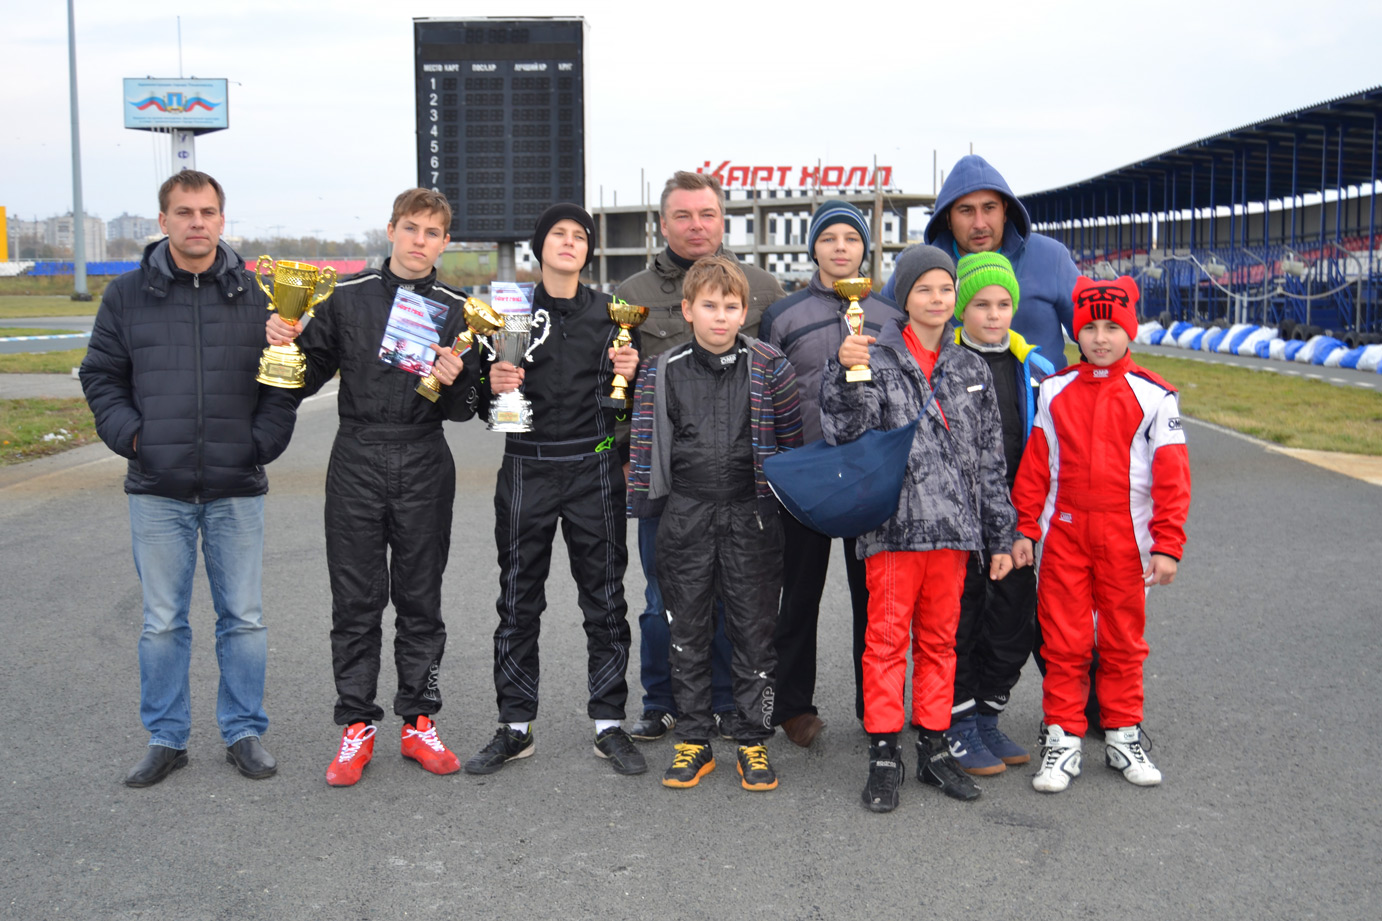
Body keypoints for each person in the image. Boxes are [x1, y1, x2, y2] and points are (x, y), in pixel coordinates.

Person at [81, 170, 298, 787]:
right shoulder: (126, 296)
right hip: (157, 487)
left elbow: (284, 380)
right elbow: (100, 376)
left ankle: (244, 732)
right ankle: (166, 738)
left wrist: (260, 443)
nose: (196, 222)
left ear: (222, 220)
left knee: (244, 619)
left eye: (207, 212)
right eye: (184, 212)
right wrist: (136, 439)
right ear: (164, 221)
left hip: (236, 485)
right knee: (162, 622)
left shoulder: (262, 295)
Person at [266, 188, 479, 786]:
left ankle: (418, 721)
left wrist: (455, 378)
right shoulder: (347, 296)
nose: (419, 241)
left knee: (420, 599)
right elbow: (305, 379)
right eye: (411, 228)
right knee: (356, 600)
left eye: (432, 233)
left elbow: (466, 410)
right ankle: (356, 724)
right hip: (357, 456)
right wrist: (285, 340)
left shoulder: (457, 310)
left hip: (424, 458)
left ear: (444, 243)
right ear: (391, 230)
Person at [821, 244, 1016, 813]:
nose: (936, 298)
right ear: (904, 298)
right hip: (894, 530)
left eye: (945, 288)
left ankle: (933, 746)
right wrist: (845, 373)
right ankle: (884, 753)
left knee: (940, 643)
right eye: (924, 289)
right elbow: (846, 433)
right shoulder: (875, 357)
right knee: (885, 644)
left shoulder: (971, 367)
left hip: (954, 534)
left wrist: (1000, 535)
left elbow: (990, 461)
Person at [463, 203, 646, 777]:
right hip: (526, 466)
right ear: (539, 246)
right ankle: (515, 727)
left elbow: (629, 409)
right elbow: (481, 407)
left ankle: (609, 724)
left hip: (595, 468)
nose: (568, 242)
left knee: (606, 600)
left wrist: (632, 373)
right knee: (518, 600)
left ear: (589, 250)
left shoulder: (614, 317)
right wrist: (491, 384)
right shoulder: (507, 313)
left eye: (578, 236)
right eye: (558, 234)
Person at [615, 171, 785, 742]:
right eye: (683, 216)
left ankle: (727, 702)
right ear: (663, 224)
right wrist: (629, 457)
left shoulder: (763, 287)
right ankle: (662, 701)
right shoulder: (633, 293)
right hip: (671, 483)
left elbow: (778, 379)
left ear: (722, 219)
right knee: (664, 600)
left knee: (737, 601)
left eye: (706, 214)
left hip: (742, 485)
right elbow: (619, 389)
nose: (696, 225)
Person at [627, 254, 803, 789]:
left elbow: (791, 446)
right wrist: (649, 509)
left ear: (745, 311)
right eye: (709, 306)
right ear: (687, 310)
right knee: (686, 632)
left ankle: (752, 740)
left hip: (752, 516)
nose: (720, 316)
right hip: (686, 515)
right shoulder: (662, 369)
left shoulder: (771, 366)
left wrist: (778, 509)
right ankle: (693, 740)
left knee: (754, 632)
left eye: (730, 306)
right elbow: (645, 448)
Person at [1011, 275, 1191, 794]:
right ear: (1077, 332)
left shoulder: (1156, 395)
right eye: (1090, 327)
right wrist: (1025, 528)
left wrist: (1167, 546)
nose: (1100, 338)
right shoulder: (1054, 389)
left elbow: (1173, 479)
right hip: (1064, 536)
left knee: (1122, 643)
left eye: (1112, 326)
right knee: (1064, 642)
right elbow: (1035, 470)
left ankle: (1122, 734)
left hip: (1127, 540)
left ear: (1129, 330)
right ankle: (1063, 737)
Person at [757, 200, 901, 746]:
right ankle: (794, 708)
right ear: (813, 247)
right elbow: (766, 393)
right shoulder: (784, 315)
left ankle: (876, 706)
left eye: (851, 238)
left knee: (875, 600)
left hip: (870, 474)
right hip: (807, 475)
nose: (841, 247)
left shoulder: (890, 314)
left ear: (865, 248)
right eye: (829, 238)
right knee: (798, 597)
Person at [944, 252, 1055, 776]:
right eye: (981, 304)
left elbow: (1049, 454)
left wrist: (1027, 524)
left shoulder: (1037, 371)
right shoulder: (942, 365)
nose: (993, 314)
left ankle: (988, 715)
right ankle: (958, 723)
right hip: (959, 524)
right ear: (961, 309)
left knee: (1012, 624)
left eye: (1003, 304)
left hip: (1016, 525)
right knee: (960, 625)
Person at [882, 155, 1079, 370]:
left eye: (989, 208)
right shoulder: (915, 265)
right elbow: (876, 334)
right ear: (948, 218)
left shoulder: (1052, 257)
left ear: (1005, 210)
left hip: (1042, 391)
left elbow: (1096, 330)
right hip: (942, 391)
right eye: (966, 210)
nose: (979, 223)